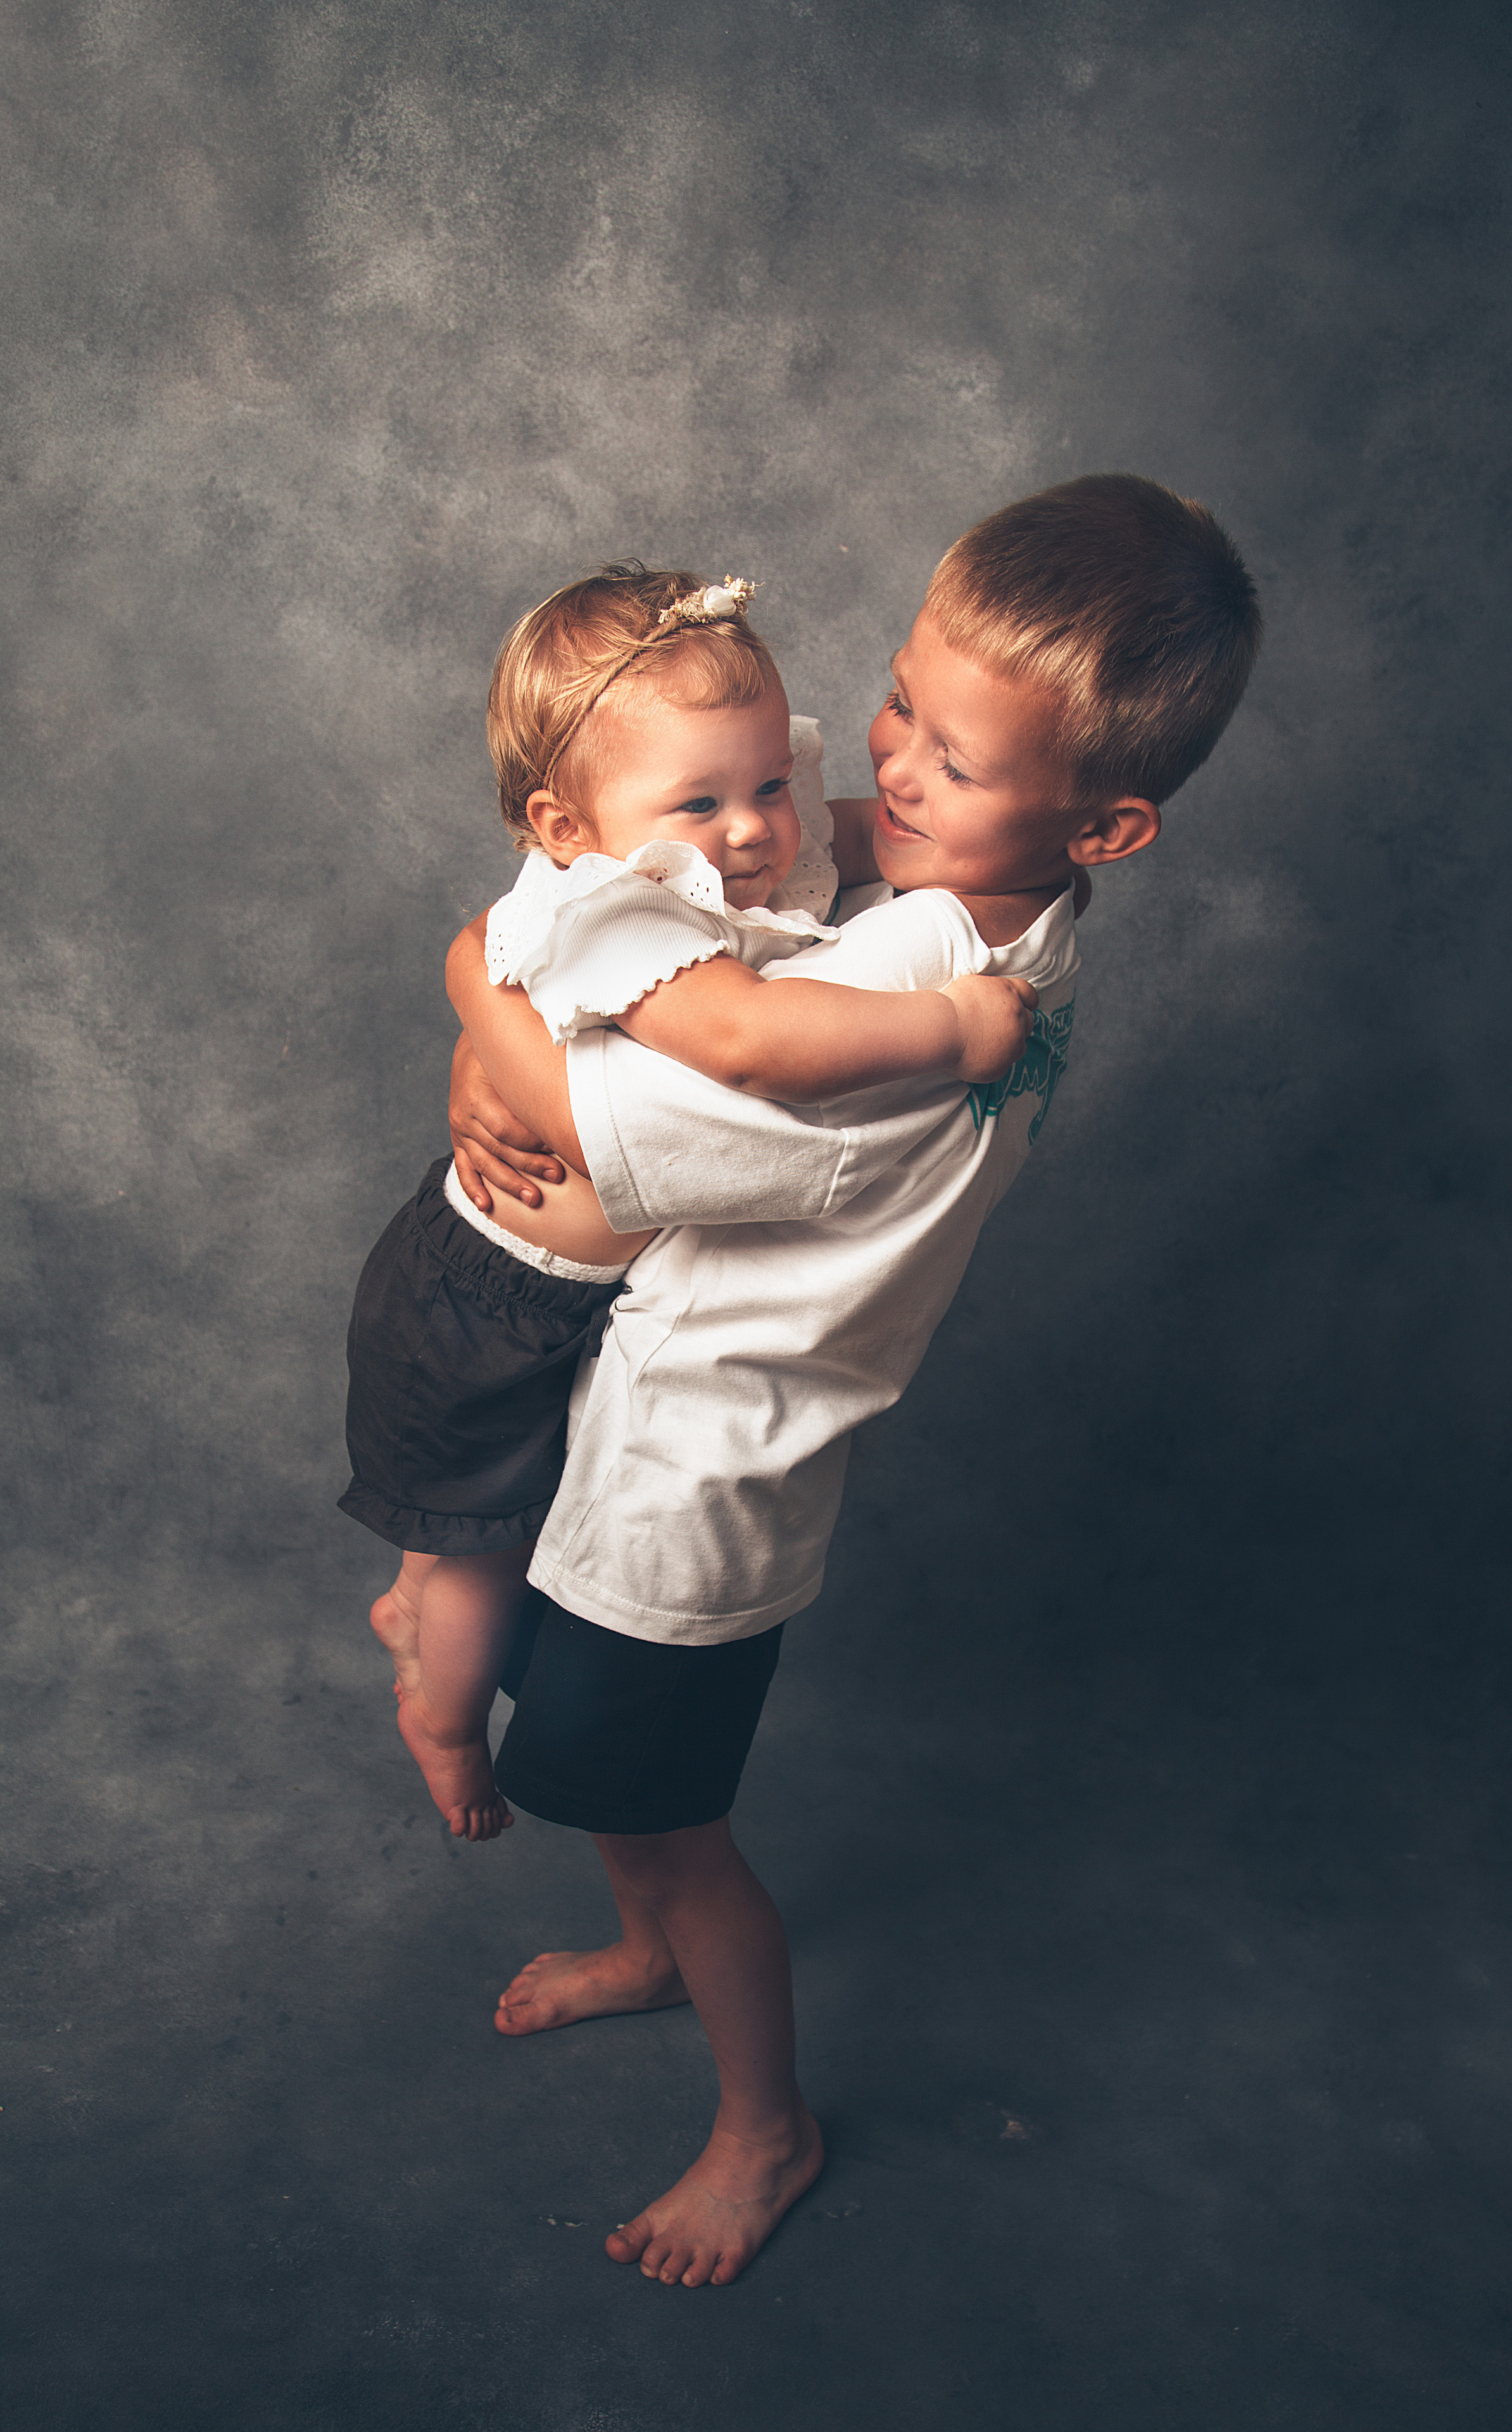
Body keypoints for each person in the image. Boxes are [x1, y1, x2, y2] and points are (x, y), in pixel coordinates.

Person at [444, 474, 1263, 2290]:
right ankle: (642, 1947)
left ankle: (765, 2125)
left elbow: (569, 1141)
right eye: (901, 698)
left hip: (695, 1492)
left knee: (671, 1813)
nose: (889, 766)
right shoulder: (961, 882)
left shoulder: (903, 998)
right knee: (598, 1773)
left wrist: (468, 988)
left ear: (1108, 825)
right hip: (653, 1427)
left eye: (952, 759)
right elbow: (696, 865)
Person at [339, 564, 1038, 1842]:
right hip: (481, 1299)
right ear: (567, 827)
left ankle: (420, 1585)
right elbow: (754, 1038)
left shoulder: (714, 837)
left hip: (568, 1303)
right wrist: (946, 1026)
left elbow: (861, 834)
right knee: (482, 1549)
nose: (753, 835)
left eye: (767, 782)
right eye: (701, 804)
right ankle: (437, 1725)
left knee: (473, 1531)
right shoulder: (621, 907)